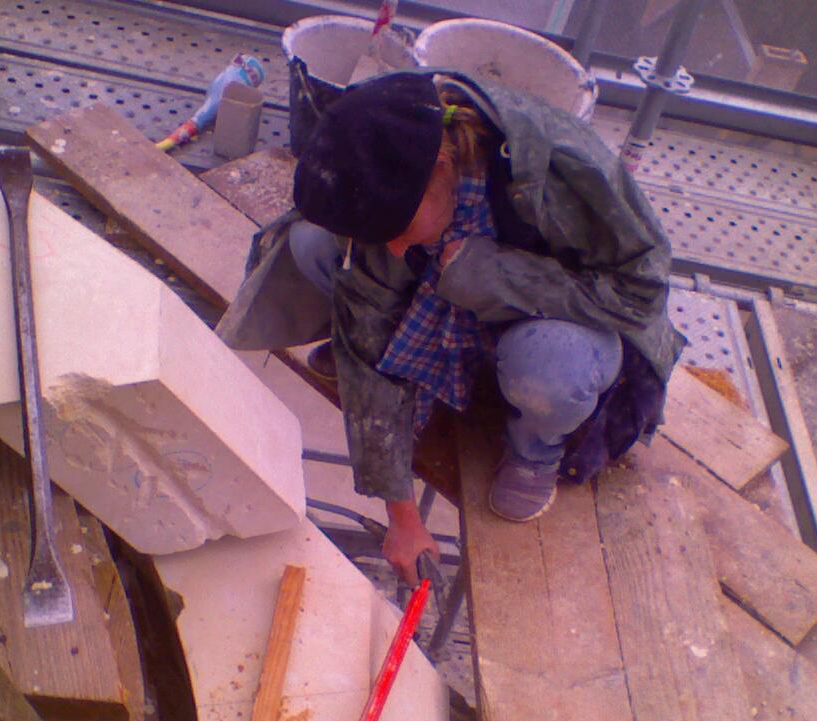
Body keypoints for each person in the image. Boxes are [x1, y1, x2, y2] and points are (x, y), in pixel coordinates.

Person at [218, 70, 684, 585]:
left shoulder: (561, 170)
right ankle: (417, 355)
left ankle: (536, 449)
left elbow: (640, 294)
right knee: (313, 245)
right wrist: (402, 517)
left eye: (398, 230)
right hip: (449, 296)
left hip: (553, 322)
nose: (395, 247)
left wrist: (497, 275)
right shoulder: (401, 176)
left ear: (441, 166)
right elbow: (367, 351)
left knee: (548, 367)